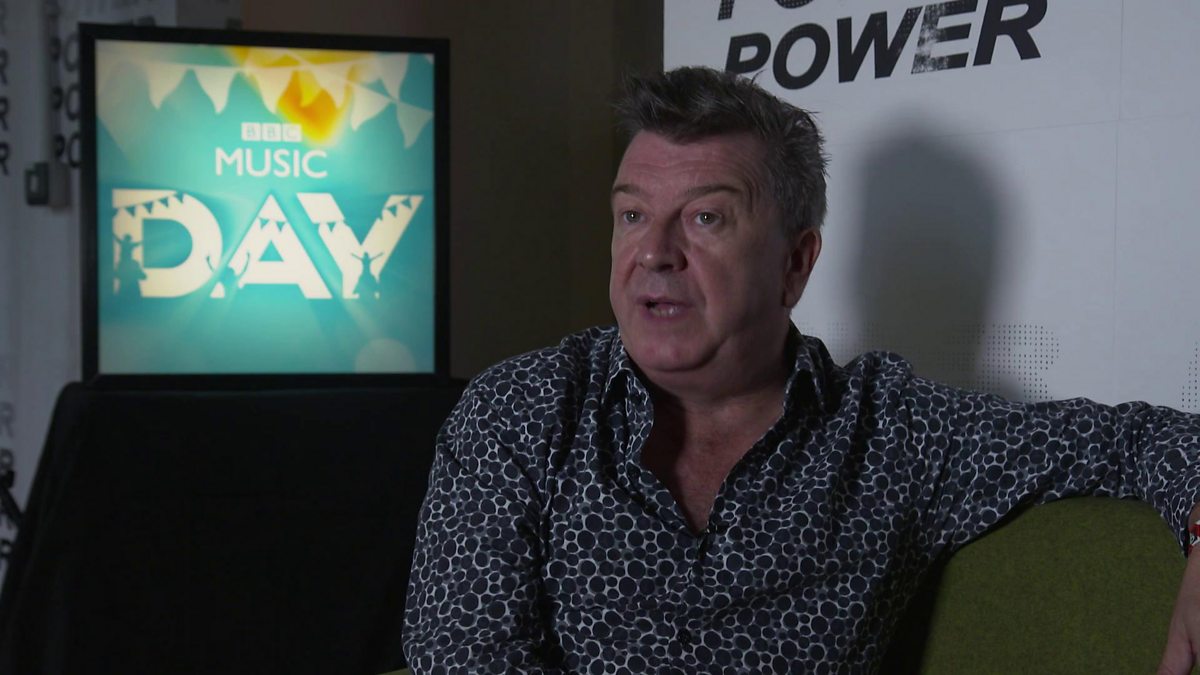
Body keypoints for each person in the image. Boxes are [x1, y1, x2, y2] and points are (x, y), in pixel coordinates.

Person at [403, 66, 1200, 673]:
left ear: (795, 262)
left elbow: (1145, 441)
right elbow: (463, 658)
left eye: (705, 217)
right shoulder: (519, 414)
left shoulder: (895, 435)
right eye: (633, 214)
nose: (653, 252)